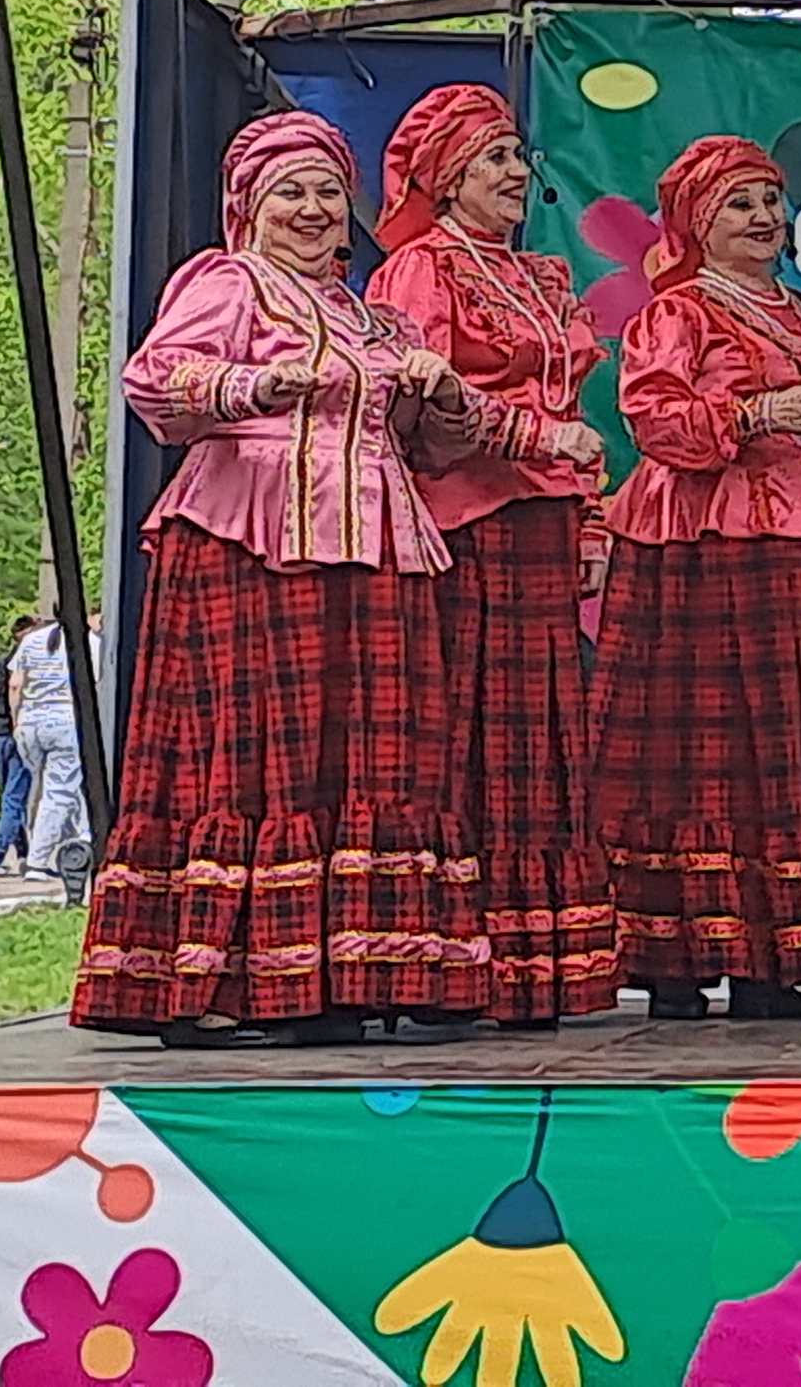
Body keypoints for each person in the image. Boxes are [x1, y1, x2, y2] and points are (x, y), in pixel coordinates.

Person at [80, 111, 488, 1044]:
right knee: (254, 747)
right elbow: (155, 380)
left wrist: (446, 397)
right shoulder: (230, 283)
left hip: (377, 546)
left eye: (327, 193)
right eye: (290, 192)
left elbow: (434, 450)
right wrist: (251, 387)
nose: (312, 210)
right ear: (249, 208)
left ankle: (347, 972)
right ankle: (223, 978)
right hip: (254, 537)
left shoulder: (375, 318)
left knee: (370, 753)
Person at [591, 134, 801, 1021]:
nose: (764, 216)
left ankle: (772, 957)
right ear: (698, 221)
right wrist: (764, 411)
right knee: (698, 757)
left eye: (771, 200)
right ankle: (677, 959)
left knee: (792, 752)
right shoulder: (679, 312)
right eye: (740, 203)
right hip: (706, 550)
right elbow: (656, 422)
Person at [365, 82, 620, 1029]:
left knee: (537, 737)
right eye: (495, 158)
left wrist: (588, 519)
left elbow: (574, 413)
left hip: (541, 526)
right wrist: (536, 440)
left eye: (518, 156)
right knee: (460, 731)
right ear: (446, 178)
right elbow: (419, 407)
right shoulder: (418, 271)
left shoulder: (541, 276)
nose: (517, 173)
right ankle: (448, 963)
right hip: (458, 522)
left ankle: (531, 964)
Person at [2, 614, 90, 890]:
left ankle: (73, 842)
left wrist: (16, 722)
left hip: (29, 722)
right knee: (59, 792)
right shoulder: (87, 641)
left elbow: (15, 684)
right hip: (65, 721)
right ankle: (38, 862)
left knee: (39, 791)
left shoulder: (30, 641)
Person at [0, 631, 33, 875]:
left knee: (10, 795)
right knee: (15, 797)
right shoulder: (26, 667)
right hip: (16, 734)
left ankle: (23, 852)